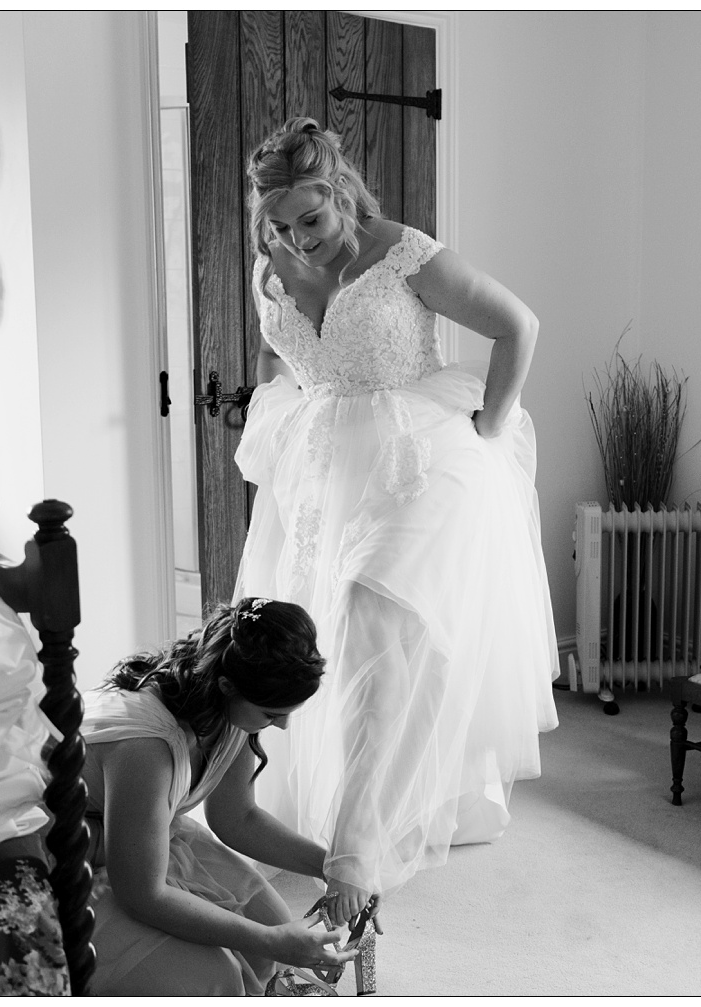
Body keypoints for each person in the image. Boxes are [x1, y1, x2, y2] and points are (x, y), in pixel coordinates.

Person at [232, 116, 560, 927]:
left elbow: (518, 325)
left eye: (311, 219)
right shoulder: (270, 264)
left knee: (382, 620)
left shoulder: (406, 252)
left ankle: (356, 845)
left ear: (341, 192)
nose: (298, 241)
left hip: (420, 462)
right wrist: (282, 405)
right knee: (328, 639)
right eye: (278, 225)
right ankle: (351, 805)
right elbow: (278, 355)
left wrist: (490, 426)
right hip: (323, 471)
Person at [82, 598, 360, 995]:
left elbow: (238, 818)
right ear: (228, 686)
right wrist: (267, 939)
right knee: (217, 977)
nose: (280, 725)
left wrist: (334, 868)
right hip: (73, 855)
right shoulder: (146, 747)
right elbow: (143, 893)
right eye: (270, 713)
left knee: (270, 937)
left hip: (143, 838)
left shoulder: (225, 704)